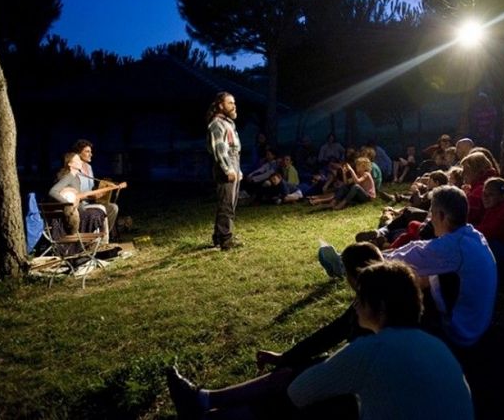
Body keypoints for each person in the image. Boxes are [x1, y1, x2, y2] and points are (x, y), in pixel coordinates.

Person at [167, 243, 384, 419]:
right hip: (356, 376)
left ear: (354, 276)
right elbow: (331, 334)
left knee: (292, 394)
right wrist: (285, 357)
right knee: (288, 376)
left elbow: (337, 339)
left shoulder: (375, 313)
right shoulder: (373, 299)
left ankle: (209, 411)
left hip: (362, 392)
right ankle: (204, 400)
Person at [288, 261, 474, 419]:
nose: (356, 304)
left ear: (381, 306)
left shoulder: (372, 350)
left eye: (360, 296)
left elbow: (298, 392)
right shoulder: (435, 344)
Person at [385, 185, 497, 348]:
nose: (430, 219)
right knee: (420, 274)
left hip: (459, 331)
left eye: (431, 212)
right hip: (475, 322)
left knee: (401, 280)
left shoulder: (453, 247)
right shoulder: (470, 235)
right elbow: (423, 248)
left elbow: (410, 257)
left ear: (441, 215)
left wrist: (372, 256)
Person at [206, 92, 242, 250]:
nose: (233, 106)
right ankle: (225, 240)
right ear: (221, 105)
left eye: (234, 103)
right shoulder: (216, 123)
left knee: (230, 203)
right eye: (230, 103)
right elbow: (219, 149)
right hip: (225, 163)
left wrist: (237, 169)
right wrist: (228, 169)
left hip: (233, 160)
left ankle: (219, 237)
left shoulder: (228, 123)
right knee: (226, 203)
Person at [48, 152, 109, 239]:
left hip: (79, 209)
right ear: (70, 164)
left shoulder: (76, 178)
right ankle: (92, 242)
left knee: (99, 211)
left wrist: (93, 196)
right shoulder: (68, 176)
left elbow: (78, 196)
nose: (80, 162)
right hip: (69, 213)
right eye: (77, 160)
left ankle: (95, 242)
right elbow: (53, 192)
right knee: (96, 213)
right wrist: (68, 204)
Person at [71, 139, 120, 239]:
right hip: (80, 204)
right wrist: (91, 195)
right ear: (79, 153)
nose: (91, 154)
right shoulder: (74, 169)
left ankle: (101, 237)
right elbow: (73, 192)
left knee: (113, 207)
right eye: (87, 151)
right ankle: (94, 239)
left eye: (90, 151)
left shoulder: (89, 167)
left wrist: (104, 187)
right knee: (102, 209)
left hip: (91, 202)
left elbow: (92, 187)